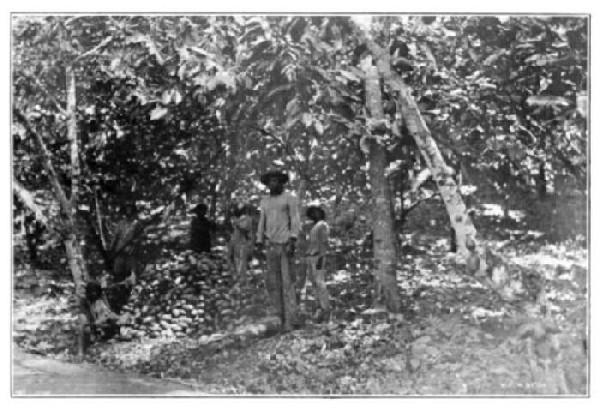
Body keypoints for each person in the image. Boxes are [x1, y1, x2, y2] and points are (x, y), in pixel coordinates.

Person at [256, 169, 301, 332]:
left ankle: (292, 320)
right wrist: (259, 241)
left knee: (288, 282)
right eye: (271, 181)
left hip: (285, 243)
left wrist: (293, 239)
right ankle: (278, 319)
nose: (273, 184)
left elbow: (295, 219)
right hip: (270, 244)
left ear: (281, 182)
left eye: (276, 181)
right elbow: (262, 221)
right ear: (267, 184)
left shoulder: (290, 197)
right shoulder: (265, 201)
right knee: (273, 284)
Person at [302, 205, 331, 323]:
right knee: (314, 285)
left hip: (318, 257)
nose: (314, 215)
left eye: (316, 212)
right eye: (312, 213)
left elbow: (324, 243)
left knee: (320, 283)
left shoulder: (322, 225)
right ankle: (319, 309)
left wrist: (321, 258)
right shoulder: (314, 227)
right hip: (311, 257)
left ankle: (326, 310)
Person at [228, 203, 254, 291]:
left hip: (243, 243)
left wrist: (236, 224)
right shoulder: (237, 218)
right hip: (235, 242)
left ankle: (243, 284)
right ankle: (236, 281)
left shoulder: (247, 218)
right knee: (234, 261)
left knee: (242, 263)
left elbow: (245, 229)